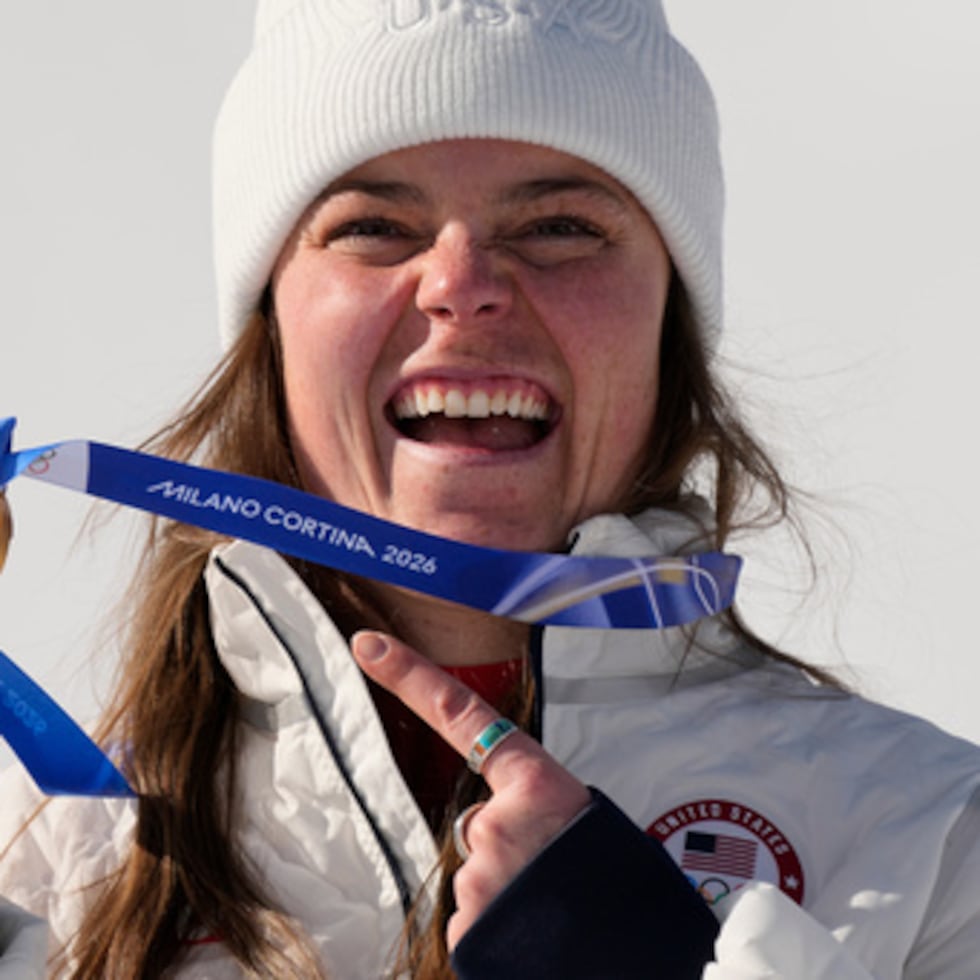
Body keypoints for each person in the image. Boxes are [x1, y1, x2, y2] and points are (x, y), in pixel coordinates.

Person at [1, 1, 979, 977]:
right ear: (272, 324)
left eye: (559, 224)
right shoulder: (43, 862)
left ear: (667, 318)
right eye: (375, 225)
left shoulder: (931, 841)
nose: (458, 282)